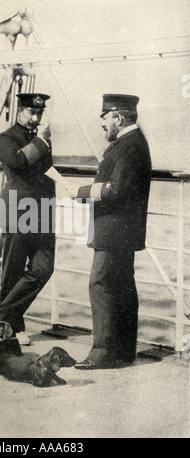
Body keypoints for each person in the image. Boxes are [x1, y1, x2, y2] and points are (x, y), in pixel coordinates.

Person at [70, 93, 152, 369]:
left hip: (115, 229)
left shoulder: (128, 146)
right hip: (123, 229)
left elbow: (116, 190)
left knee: (100, 284)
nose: (102, 125)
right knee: (123, 286)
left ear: (117, 118)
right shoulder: (132, 143)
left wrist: (79, 192)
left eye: (104, 119)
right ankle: (124, 351)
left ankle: (102, 353)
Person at [0, 93, 55, 345]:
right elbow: (17, 161)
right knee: (13, 270)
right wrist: (40, 141)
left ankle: (1, 314)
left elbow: (47, 172)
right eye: (31, 112)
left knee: (43, 268)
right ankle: (11, 328)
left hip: (43, 210)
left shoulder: (41, 140)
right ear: (19, 111)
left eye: (39, 113)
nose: (36, 118)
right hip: (17, 208)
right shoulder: (6, 138)